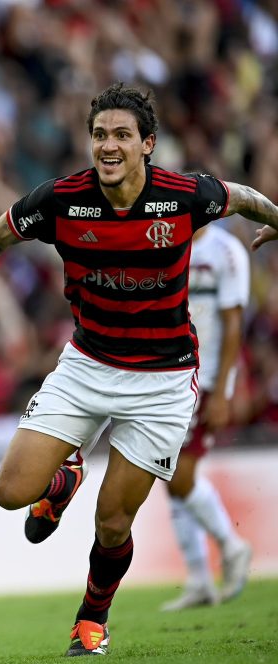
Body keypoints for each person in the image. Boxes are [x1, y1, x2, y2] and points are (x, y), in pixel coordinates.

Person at [0, 83, 278, 657]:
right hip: (87, 365)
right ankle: (62, 479)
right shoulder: (62, 200)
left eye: (121, 136)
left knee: (113, 523)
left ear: (147, 145)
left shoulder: (183, 196)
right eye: (99, 135)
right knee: (11, 494)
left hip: (162, 383)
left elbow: (240, 195)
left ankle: (92, 621)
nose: (108, 146)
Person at [160, 223, 253, 611]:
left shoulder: (226, 251)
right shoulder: (164, 243)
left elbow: (234, 322)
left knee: (180, 476)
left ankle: (232, 546)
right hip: (168, 378)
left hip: (206, 378)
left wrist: (224, 388)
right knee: (169, 476)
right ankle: (199, 578)